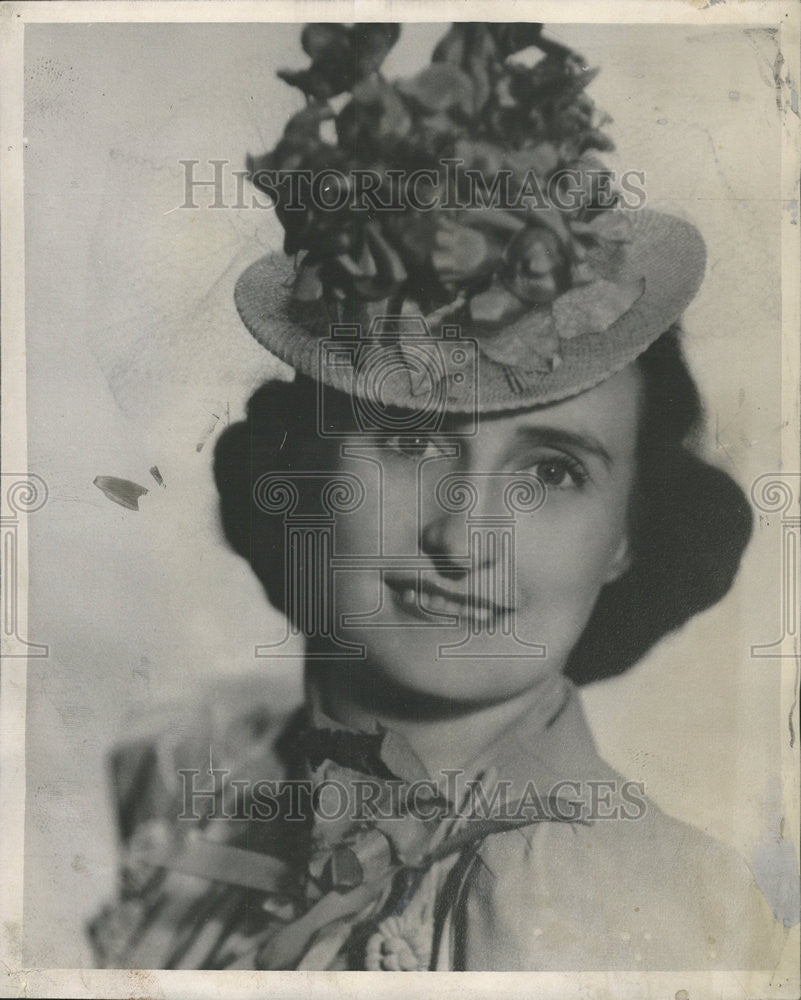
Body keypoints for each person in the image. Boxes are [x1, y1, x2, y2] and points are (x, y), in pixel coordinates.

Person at [89, 22, 784, 970]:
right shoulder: (194, 790)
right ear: (308, 469)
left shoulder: (592, 895)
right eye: (411, 438)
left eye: (551, 471)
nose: (465, 535)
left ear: (627, 534)